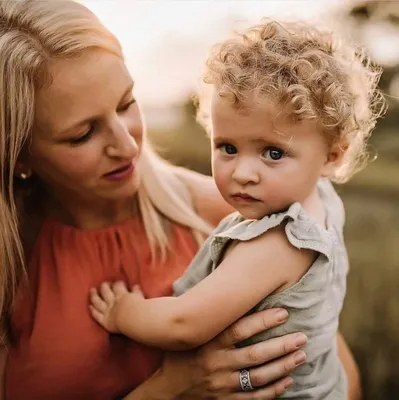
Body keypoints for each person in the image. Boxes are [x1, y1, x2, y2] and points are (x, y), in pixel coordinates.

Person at [0, 1, 360, 399]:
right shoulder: (11, 268)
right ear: (20, 157)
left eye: (126, 104)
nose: (126, 144)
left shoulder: (247, 214)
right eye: (83, 133)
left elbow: (336, 372)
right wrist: (173, 387)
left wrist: (126, 313)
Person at [89, 20, 386, 399]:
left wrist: (124, 312)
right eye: (227, 147)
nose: (243, 173)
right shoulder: (322, 198)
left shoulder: (276, 243)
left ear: (332, 156)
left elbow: (184, 325)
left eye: (273, 153)